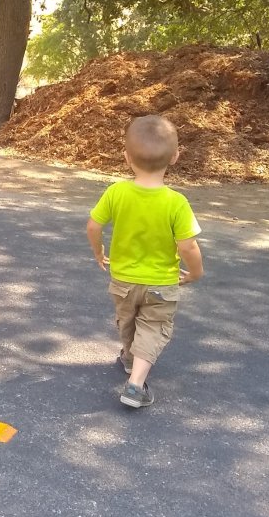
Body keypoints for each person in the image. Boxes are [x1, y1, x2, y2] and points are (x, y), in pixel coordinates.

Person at [86, 114, 203, 408]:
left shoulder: (116, 192)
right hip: (161, 283)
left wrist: (99, 252)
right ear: (175, 156)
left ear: (126, 157)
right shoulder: (176, 202)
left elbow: (93, 226)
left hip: (123, 279)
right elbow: (188, 246)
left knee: (127, 322)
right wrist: (195, 273)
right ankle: (135, 385)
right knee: (152, 327)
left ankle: (130, 359)